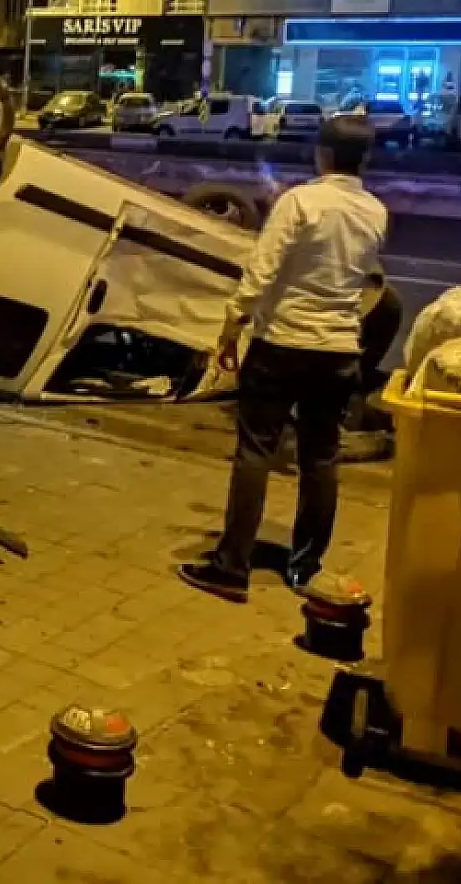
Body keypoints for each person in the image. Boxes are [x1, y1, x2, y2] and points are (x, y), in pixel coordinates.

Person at [179, 115, 387, 604]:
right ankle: (305, 568)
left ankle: (231, 568)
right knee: (321, 458)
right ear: (365, 160)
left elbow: (260, 272)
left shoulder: (300, 202)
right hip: (338, 350)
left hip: (283, 343)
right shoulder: (376, 212)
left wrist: (231, 328)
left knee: (256, 451)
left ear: (322, 154)